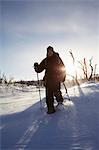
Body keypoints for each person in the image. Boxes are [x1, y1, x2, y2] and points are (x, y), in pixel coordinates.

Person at [34, 46, 66, 114]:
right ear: (47, 52)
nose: (49, 52)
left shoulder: (57, 58)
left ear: (53, 51)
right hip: (48, 80)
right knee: (49, 95)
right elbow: (40, 69)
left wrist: (63, 77)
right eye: (48, 51)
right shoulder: (45, 60)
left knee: (57, 92)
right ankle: (50, 108)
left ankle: (60, 103)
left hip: (56, 79)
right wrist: (36, 67)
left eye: (51, 51)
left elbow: (63, 67)